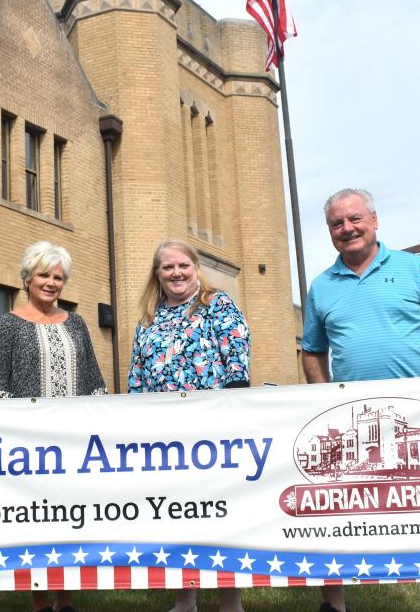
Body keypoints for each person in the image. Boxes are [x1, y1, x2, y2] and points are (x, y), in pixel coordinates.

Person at [301, 188, 420, 612]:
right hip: (352, 416)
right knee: (339, 513)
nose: (347, 229)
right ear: (330, 232)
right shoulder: (321, 286)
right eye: (337, 224)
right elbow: (312, 350)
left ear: (374, 221)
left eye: (354, 219)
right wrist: (324, 402)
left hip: (416, 411)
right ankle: (333, 603)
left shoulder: (414, 268)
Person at [127, 239, 249, 612]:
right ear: (157, 274)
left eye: (183, 265)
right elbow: (137, 379)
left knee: (221, 514)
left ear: (196, 268)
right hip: (165, 438)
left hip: (213, 433)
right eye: (168, 267)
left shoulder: (218, 306)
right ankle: (186, 598)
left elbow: (237, 366)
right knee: (179, 515)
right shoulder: (148, 319)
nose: (176, 273)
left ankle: (230, 600)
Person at [0, 240, 105, 612]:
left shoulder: (78, 324)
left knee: (69, 518)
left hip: (73, 444)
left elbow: (94, 381)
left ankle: (65, 599)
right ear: (27, 278)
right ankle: (39, 600)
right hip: (28, 447)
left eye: (58, 277)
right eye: (44, 275)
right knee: (35, 521)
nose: (51, 283)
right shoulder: (7, 325)